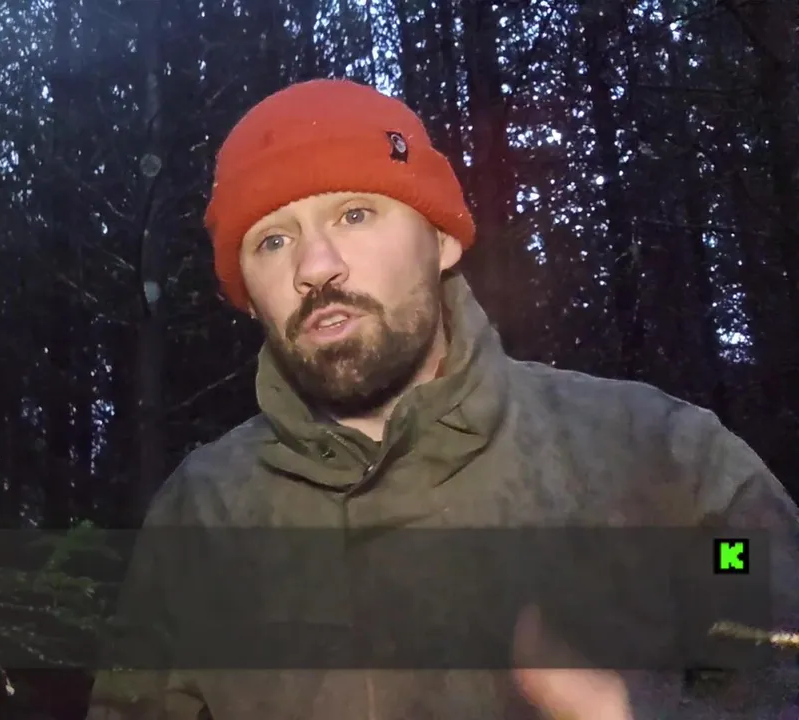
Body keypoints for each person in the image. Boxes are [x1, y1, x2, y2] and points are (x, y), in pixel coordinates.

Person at [85, 78, 799, 719]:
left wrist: (636, 712)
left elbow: (776, 649)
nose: (316, 267)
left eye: (355, 214)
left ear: (443, 240)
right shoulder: (203, 516)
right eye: (272, 240)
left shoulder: (661, 459)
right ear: (247, 295)